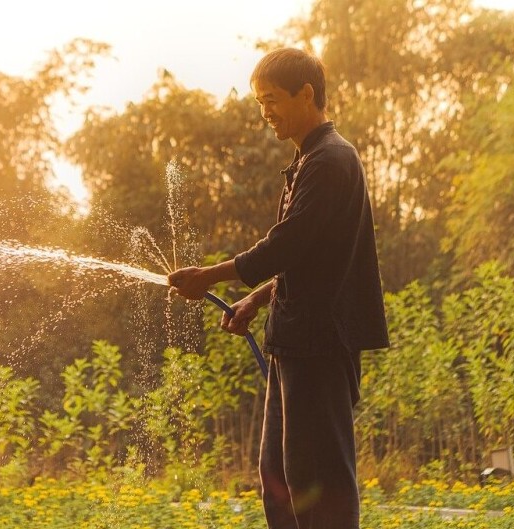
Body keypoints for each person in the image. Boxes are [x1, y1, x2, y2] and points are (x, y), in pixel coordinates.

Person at [167, 48, 389, 529]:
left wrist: (207, 276)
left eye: (271, 99)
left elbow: (284, 245)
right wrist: (254, 297)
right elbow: (305, 257)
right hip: (293, 341)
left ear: (306, 94)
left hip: (320, 344)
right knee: (280, 477)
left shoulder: (330, 161)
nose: (265, 111)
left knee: (319, 479)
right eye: (259, 101)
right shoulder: (311, 159)